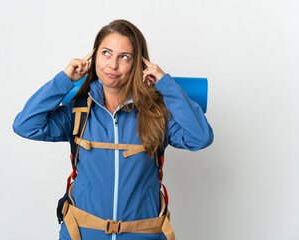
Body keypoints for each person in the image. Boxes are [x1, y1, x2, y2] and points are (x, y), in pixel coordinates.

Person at [13, 19, 214, 240]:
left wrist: (166, 85)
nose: (112, 65)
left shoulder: (156, 115)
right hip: (81, 233)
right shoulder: (77, 112)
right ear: (94, 57)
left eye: (124, 57)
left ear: (138, 64)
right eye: (106, 53)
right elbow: (25, 125)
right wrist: (65, 80)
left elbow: (200, 137)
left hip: (143, 235)